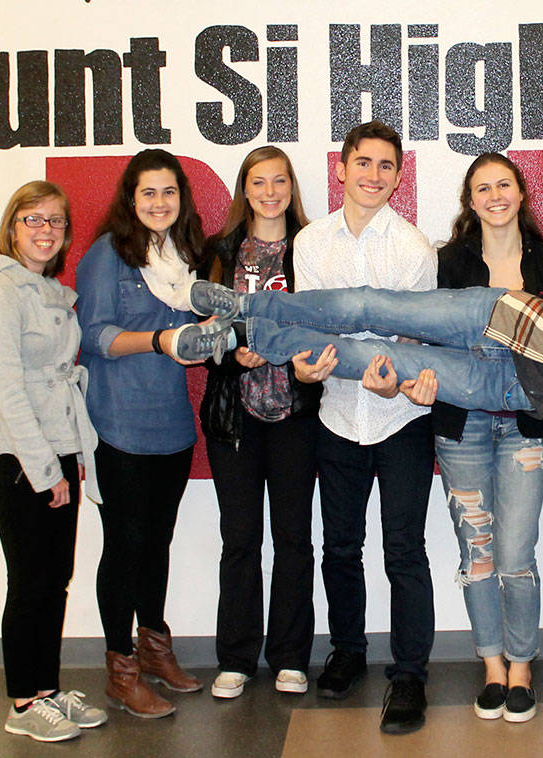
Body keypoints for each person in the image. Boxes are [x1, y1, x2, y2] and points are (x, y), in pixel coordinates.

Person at [175, 262, 543, 504]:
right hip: (503, 318)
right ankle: (245, 302)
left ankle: (244, 334)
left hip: (512, 391)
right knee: (370, 305)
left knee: (374, 359)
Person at [274, 121, 437, 735]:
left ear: (398, 176)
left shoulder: (415, 248)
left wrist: (395, 376)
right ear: (341, 169)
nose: (373, 175)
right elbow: (312, 329)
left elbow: (418, 338)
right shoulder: (311, 242)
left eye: (386, 165)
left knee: (405, 551)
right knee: (341, 548)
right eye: (362, 163)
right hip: (338, 415)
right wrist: (305, 366)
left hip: (401, 419)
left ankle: (410, 673)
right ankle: (347, 651)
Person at [0, 180, 107, 742]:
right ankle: (23, 702)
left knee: (54, 579)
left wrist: (64, 458)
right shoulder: (0, 292)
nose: (46, 231)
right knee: (30, 581)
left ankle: (45, 689)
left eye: (56, 221)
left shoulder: (44, 288)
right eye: (34, 219)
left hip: (56, 447)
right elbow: (7, 389)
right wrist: (45, 469)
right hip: (17, 456)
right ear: (12, 227)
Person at [426, 153, 543, 723]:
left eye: (503, 185)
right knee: (477, 552)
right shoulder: (448, 262)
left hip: (526, 423)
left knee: (515, 554)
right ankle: (492, 665)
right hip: (463, 424)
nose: (494, 196)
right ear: (470, 200)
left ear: (521, 192)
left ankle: (523, 666)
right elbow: (431, 336)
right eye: (482, 188)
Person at [75, 149, 210, 719]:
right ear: (130, 199)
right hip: (119, 425)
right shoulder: (108, 254)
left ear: (182, 199)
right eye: (148, 192)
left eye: (169, 192)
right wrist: (160, 341)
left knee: (156, 544)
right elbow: (94, 336)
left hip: (172, 426)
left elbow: (193, 335)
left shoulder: (184, 258)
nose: (159, 202)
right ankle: (121, 671)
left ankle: (155, 650)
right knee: (124, 546)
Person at [200, 146, 322, 700]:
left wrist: (291, 358)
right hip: (235, 417)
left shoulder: (312, 248)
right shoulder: (220, 251)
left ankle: (291, 657)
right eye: (259, 182)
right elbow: (200, 336)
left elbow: (325, 323)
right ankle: (236, 658)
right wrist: (232, 355)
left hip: (296, 413)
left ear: (291, 187)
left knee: (294, 538)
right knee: (240, 539)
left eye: (279, 181)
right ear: (244, 190)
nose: (270, 192)